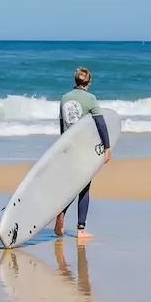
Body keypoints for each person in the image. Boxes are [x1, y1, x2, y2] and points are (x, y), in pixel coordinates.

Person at [54, 67, 111, 241]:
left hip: (68, 147)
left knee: (72, 185)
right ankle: (80, 229)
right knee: (84, 188)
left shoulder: (65, 98)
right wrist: (107, 147)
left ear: (75, 80)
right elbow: (101, 124)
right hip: (84, 149)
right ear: (89, 82)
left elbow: (62, 124)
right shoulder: (91, 99)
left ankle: (61, 212)